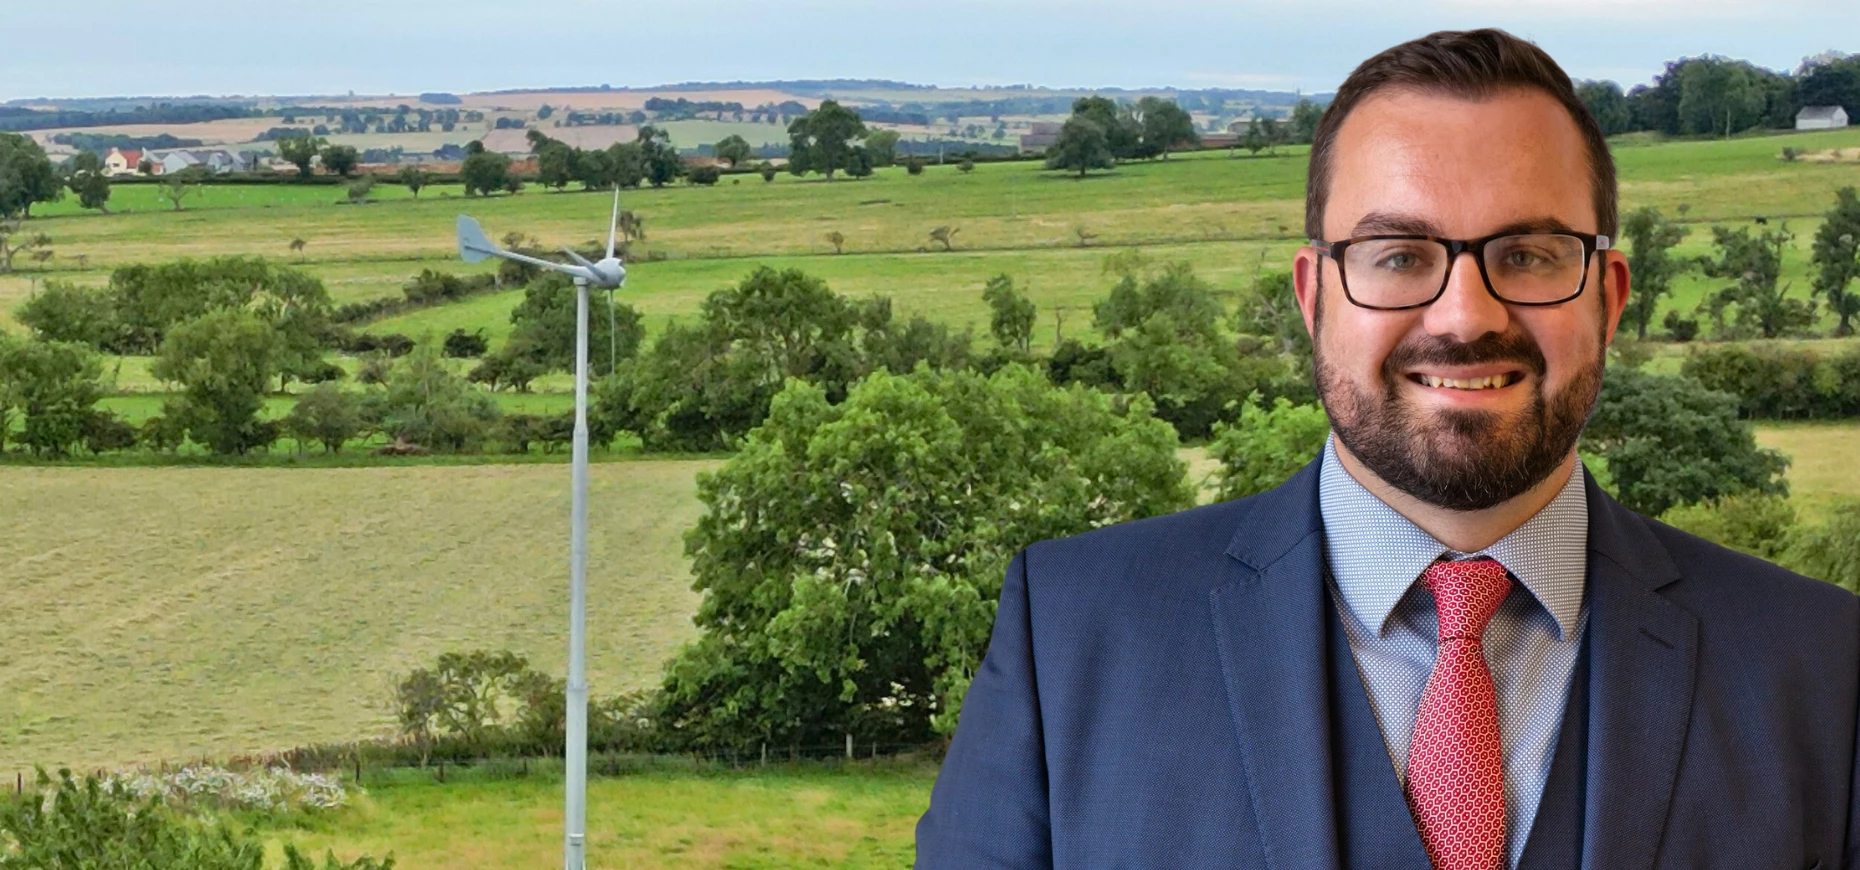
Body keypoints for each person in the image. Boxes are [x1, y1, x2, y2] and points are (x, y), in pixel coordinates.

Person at [914, 28, 1860, 870]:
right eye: (1398, 256)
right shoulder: (1072, 635)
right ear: (1313, 296)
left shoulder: (1824, 666)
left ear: (1608, 296)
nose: (1465, 316)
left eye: (1529, 254)